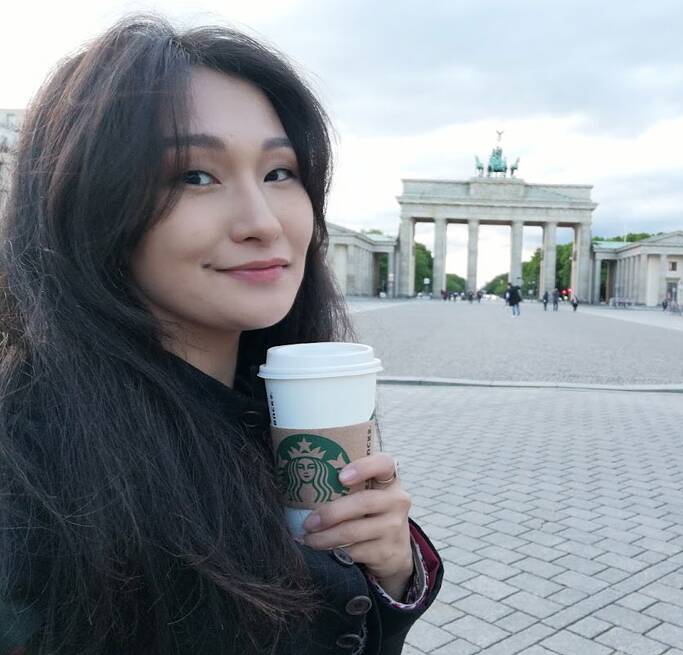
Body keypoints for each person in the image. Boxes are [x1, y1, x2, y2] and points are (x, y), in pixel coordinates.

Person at [0, 16, 442, 655]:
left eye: (280, 171)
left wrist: (389, 569)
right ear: (88, 204)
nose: (263, 222)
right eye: (193, 175)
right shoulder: (28, 480)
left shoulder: (268, 405)